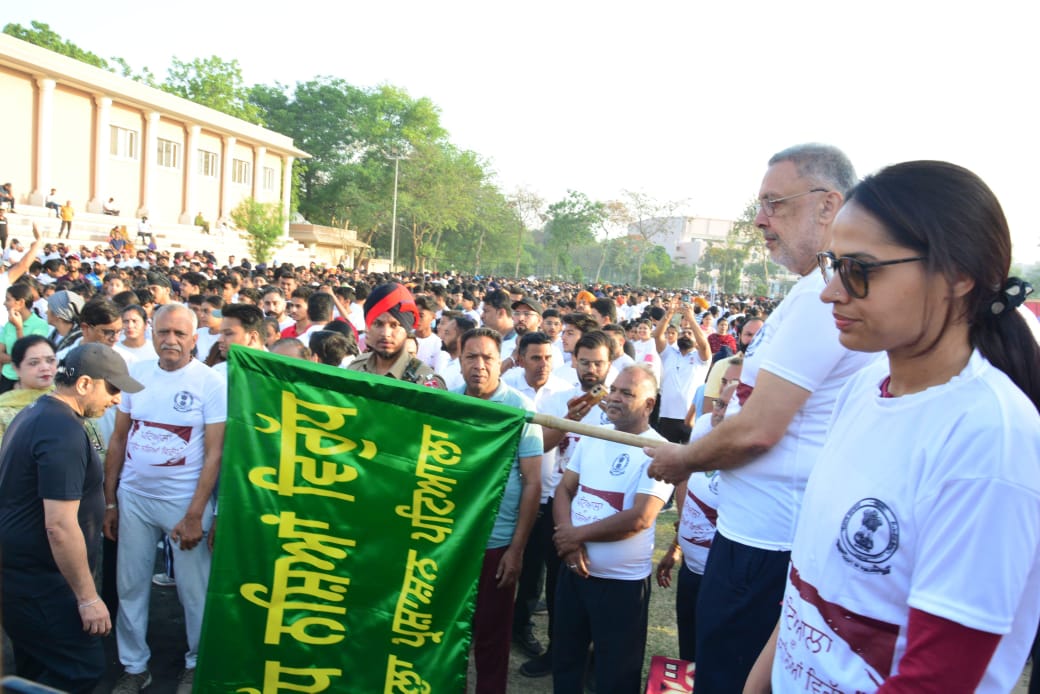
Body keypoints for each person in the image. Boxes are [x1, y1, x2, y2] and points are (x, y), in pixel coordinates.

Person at [742, 161, 1040, 693]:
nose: (832, 292)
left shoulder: (989, 439)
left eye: (860, 269)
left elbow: (936, 680)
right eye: (833, 265)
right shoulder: (865, 388)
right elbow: (810, 588)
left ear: (958, 275)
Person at [646, 143, 874, 694]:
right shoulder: (808, 293)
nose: (760, 220)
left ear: (828, 204)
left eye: (775, 203)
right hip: (754, 534)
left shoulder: (823, 298)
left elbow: (759, 431)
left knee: (729, 677)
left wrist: (683, 459)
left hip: (770, 544)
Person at [0, 343, 143, 693]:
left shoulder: (37, 412)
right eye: (112, 388)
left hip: (25, 577)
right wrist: (88, 598)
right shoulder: (60, 431)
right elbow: (60, 525)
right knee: (81, 669)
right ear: (83, 384)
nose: (117, 400)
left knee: (35, 671)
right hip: (41, 581)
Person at [104, 303, 227, 694]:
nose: (170, 340)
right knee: (130, 587)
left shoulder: (210, 383)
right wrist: (111, 501)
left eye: (179, 333)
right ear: (152, 333)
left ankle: (196, 665)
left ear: (193, 338)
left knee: (194, 592)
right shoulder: (137, 374)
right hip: (134, 499)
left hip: (184, 502)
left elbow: (215, 454)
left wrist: (195, 514)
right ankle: (134, 667)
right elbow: (119, 439)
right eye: (163, 332)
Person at [551, 365, 672, 693]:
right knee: (566, 661)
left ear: (649, 404)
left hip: (621, 586)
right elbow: (564, 490)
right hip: (573, 574)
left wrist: (575, 536)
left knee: (616, 674)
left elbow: (640, 518)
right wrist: (569, 543)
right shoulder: (594, 435)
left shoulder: (659, 450)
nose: (614, 397)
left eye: (627, 393)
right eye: (614, 389)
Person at [456, 327, 542, 694]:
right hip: (452, 541)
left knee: (492, 635)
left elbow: (533, 482)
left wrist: (516, 549)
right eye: (471, 357)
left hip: (497, 542)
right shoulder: (449, 402)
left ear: (501, 361)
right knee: (448, 632)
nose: (479, 365)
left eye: (487, 357)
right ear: (459, 360)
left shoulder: (520, 408)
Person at [655, 365, 742, 663]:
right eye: (719, 402)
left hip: (721, 580)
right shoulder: (704, 431)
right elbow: (690, 493)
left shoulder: (752, 460)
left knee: (715, 657)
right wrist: (676, 546)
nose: (719, 411)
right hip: (691, 570)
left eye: (729, 405)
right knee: (688, 652)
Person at [348, 282, 444, 388]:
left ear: (406, 331)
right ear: (368, 328)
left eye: (394, 325)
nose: (386, 334)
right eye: (378, 324)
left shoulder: (424, 381)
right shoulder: (356, 368)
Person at [0, 335, 57, 441]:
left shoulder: (68, 399)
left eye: (50, 360)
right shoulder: (3, 411)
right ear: (16, 368)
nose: (45, 367)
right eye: (34, 363)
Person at [1, 283, 54, 392]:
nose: (4, 303)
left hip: (27, 381)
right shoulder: (8, 325)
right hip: (6, 378)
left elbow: (29, 354)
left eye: (8, 300)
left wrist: (19, 329)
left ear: (21, 302)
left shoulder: (40, 325)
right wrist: (18, 359)